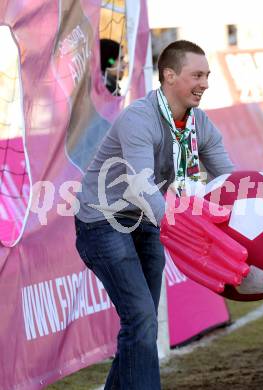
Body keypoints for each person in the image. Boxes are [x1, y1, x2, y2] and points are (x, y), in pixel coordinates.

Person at [74, 40, 234, 389]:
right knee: (142, 317)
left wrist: (253, 215)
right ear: (169, 75)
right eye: (197, 75)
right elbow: (142, 186)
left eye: (207, 75)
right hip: (103, 221)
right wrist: (186, 230)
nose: (205, 83)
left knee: (141, 323)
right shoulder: (138, 118)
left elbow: (228, 180)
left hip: (143, 221)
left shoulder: (199, 123)